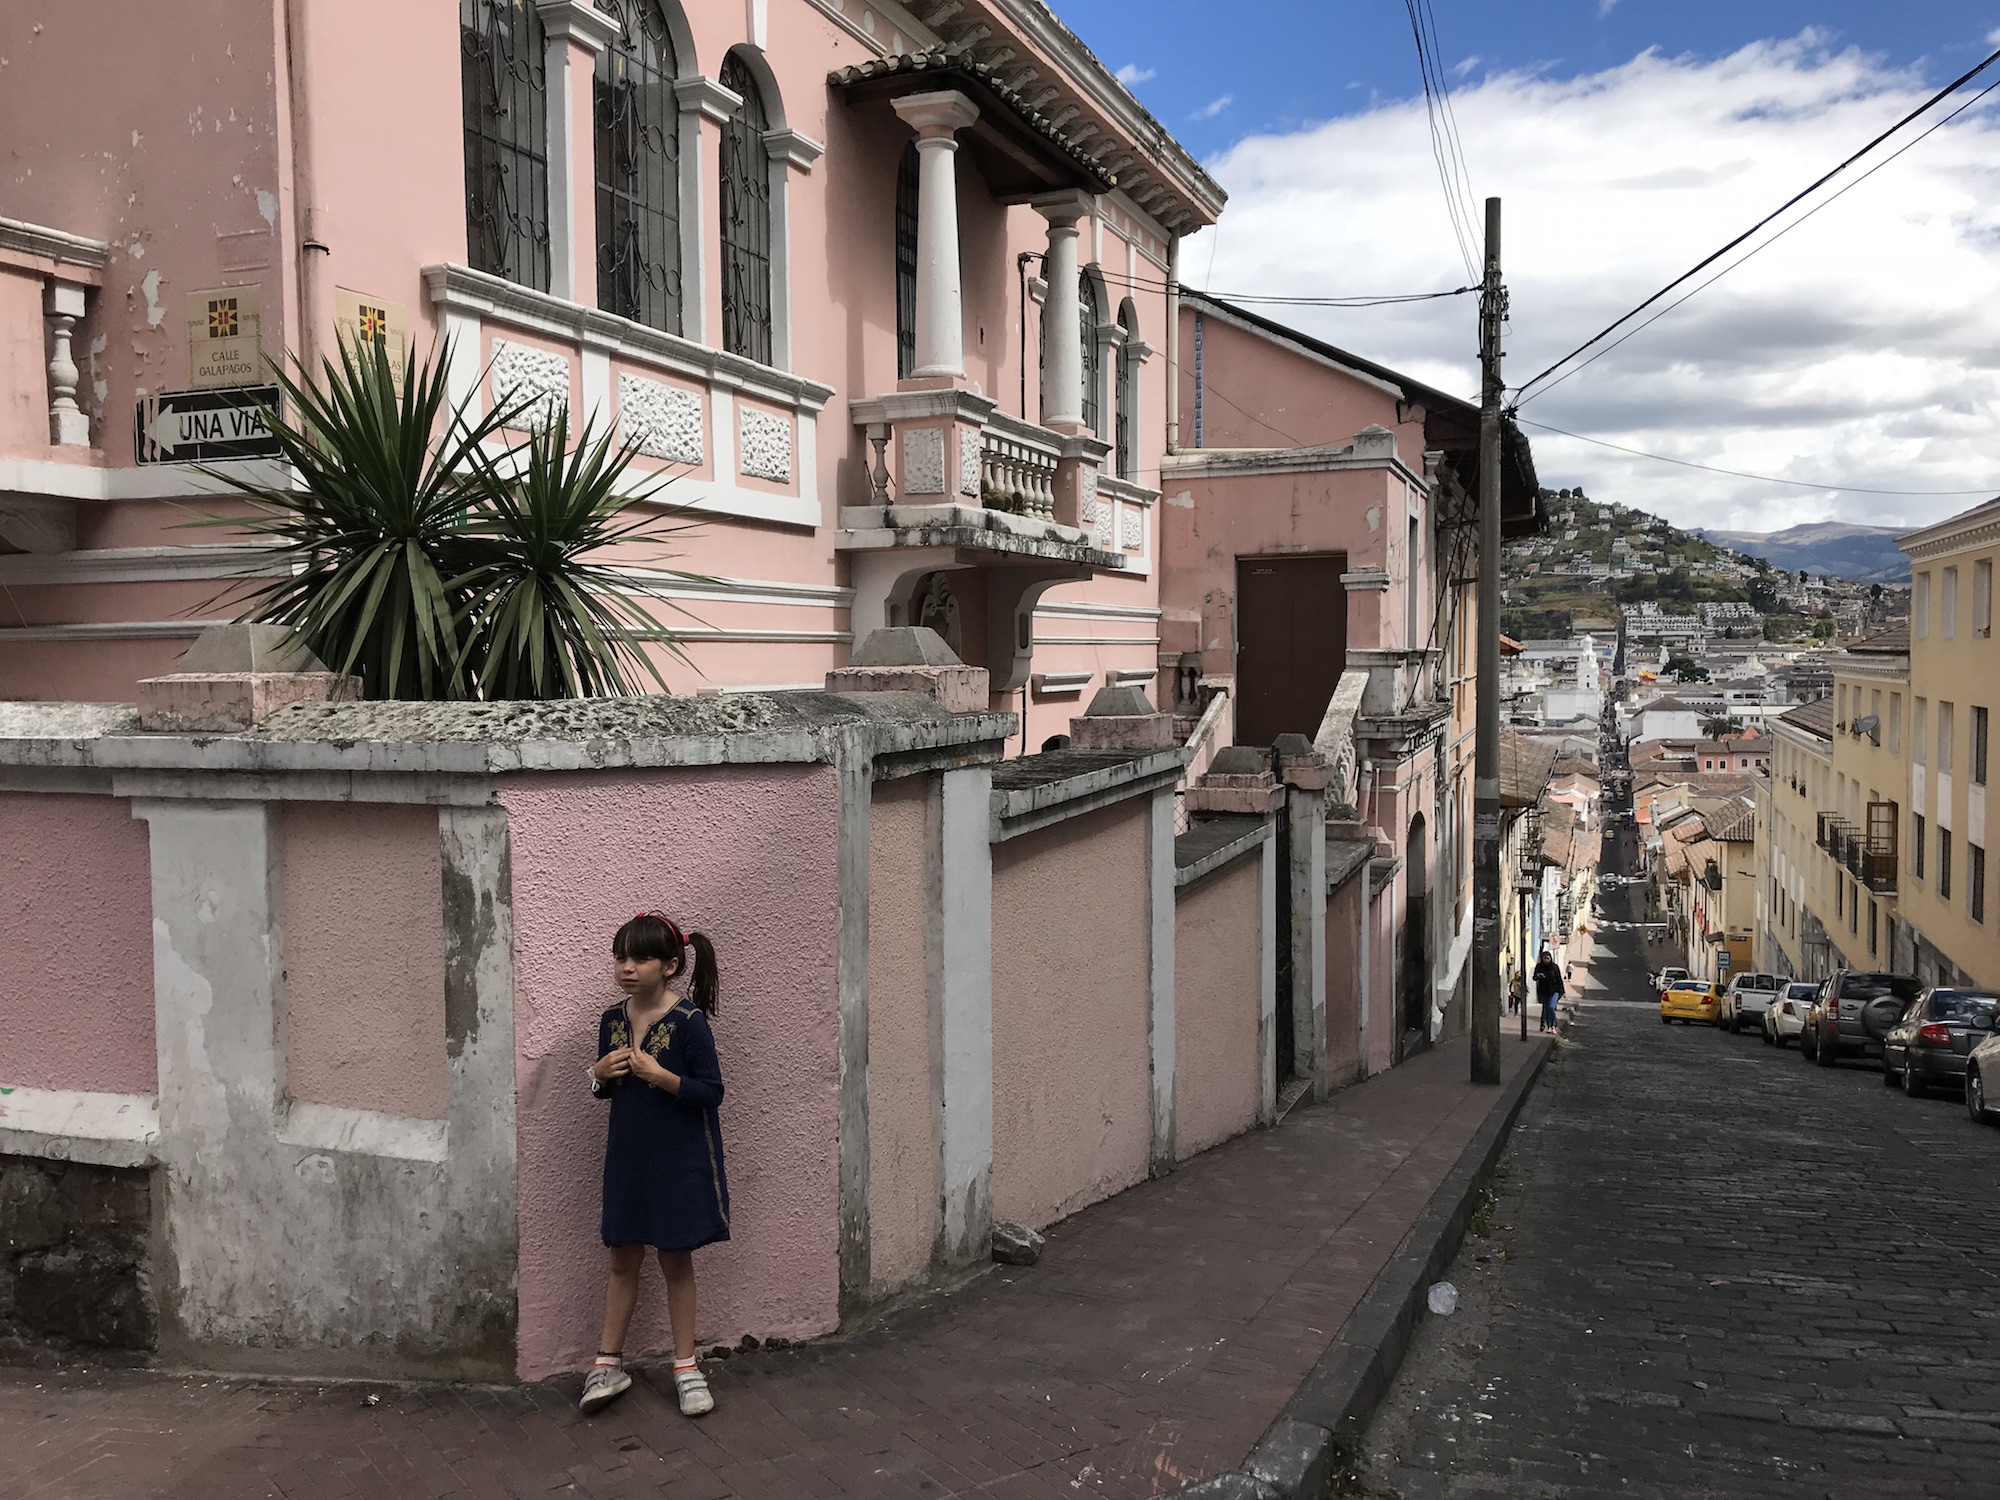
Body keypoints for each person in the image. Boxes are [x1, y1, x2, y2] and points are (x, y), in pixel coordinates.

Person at [581, 912, 729, 1419]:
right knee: (622, 1257)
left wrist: (662, 1076)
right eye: (620, 956)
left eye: (640, 958)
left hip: (678, 1163)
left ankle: (686, 1367)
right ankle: (607, 1363)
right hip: (627, 1159)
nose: (627, 967)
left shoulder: (690, 1023)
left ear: (670, 965)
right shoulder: (612, 1020)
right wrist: (596, 1073)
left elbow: (712, 1092)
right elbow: (605, 1091)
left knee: (675, 1261)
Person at [1532, 948, 1564, 1034]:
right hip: (1543, 991)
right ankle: (1549, 1026)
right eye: (1544, 958)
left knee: (1551, 1007)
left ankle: (1553, 1025)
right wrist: (1539, 976)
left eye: (1548, 958)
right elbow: (1534, 977)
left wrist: (1562, 990)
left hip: (1554, 991)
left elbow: (1559, 979)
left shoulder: (1554, 967)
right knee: (1546, 1008)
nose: (1546, 960)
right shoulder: (1539, 967)